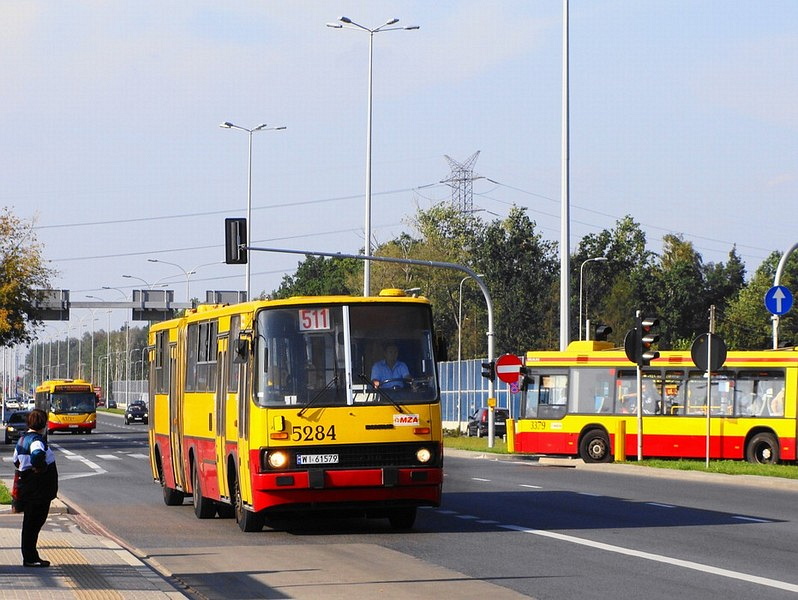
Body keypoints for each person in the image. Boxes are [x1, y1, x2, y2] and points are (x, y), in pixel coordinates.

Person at [12, 409, 58, 568]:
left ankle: (30, 556)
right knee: (34, 523)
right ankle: (30, 558)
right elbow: (37, 455)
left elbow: (15, 461)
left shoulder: (22, 439)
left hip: (28, 486)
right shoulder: (37, 441)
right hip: (38, 488)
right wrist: (40, 468)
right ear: (43, 424)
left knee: (30, 523)